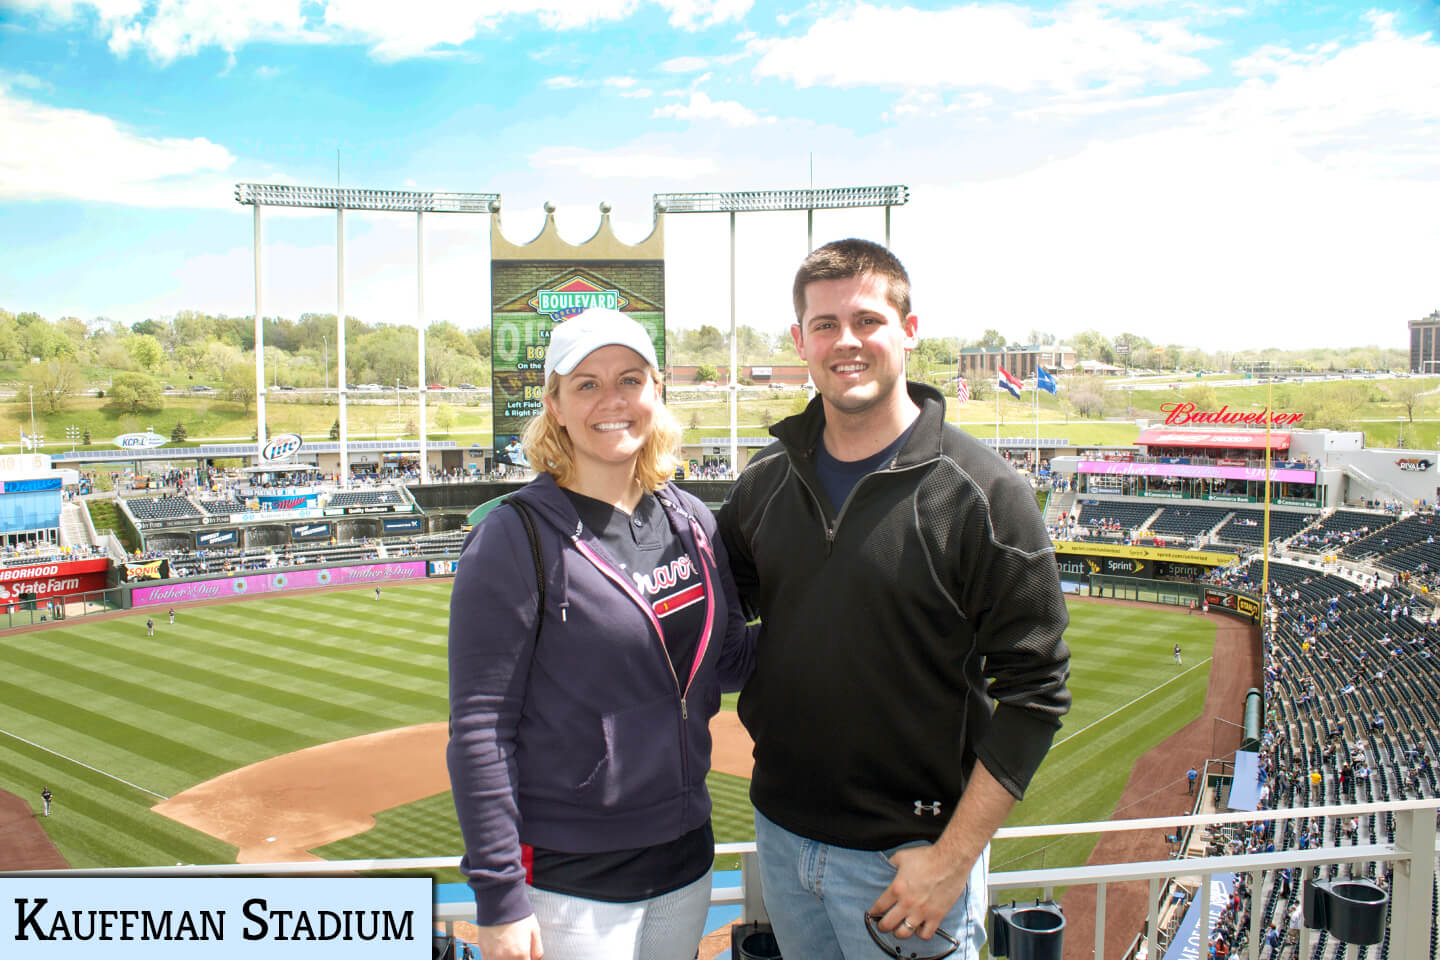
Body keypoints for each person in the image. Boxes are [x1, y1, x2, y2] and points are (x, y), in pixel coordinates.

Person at [718, 239, 1071, 958]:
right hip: (782, 838)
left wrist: (953, 860)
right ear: (800, 341)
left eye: (868, 321)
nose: (846, 341)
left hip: (909, 863)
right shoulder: (764, 482)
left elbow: (1036, 693)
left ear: (909, 332)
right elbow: (715, 617)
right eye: (825, 324)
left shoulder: (985, 493)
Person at [448, 307, 757, 960]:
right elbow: (480, 728)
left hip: (685, 859)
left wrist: (841, 616)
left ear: (656, 392)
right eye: (586, 384)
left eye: (630, 380)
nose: (611, 400)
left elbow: (730, 660)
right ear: (555, 405)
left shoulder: (691, 520)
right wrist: (500, 897)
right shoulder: (513, 536)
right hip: (571, 881)